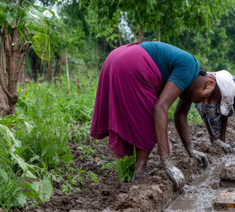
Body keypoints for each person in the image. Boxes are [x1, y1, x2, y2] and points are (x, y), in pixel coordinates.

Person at [90, 41, 219, 189]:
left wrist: (191, 150)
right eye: (205, 98)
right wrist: (167, 162)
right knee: (152, 120)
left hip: (116, 57)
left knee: (142, 118)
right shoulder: (189, 67)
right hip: (131, 63)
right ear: (209, 84)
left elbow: (181, 115)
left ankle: (138, 171)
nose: (203, 103)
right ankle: (139, 173)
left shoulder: (189, 81)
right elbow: (161, 108)